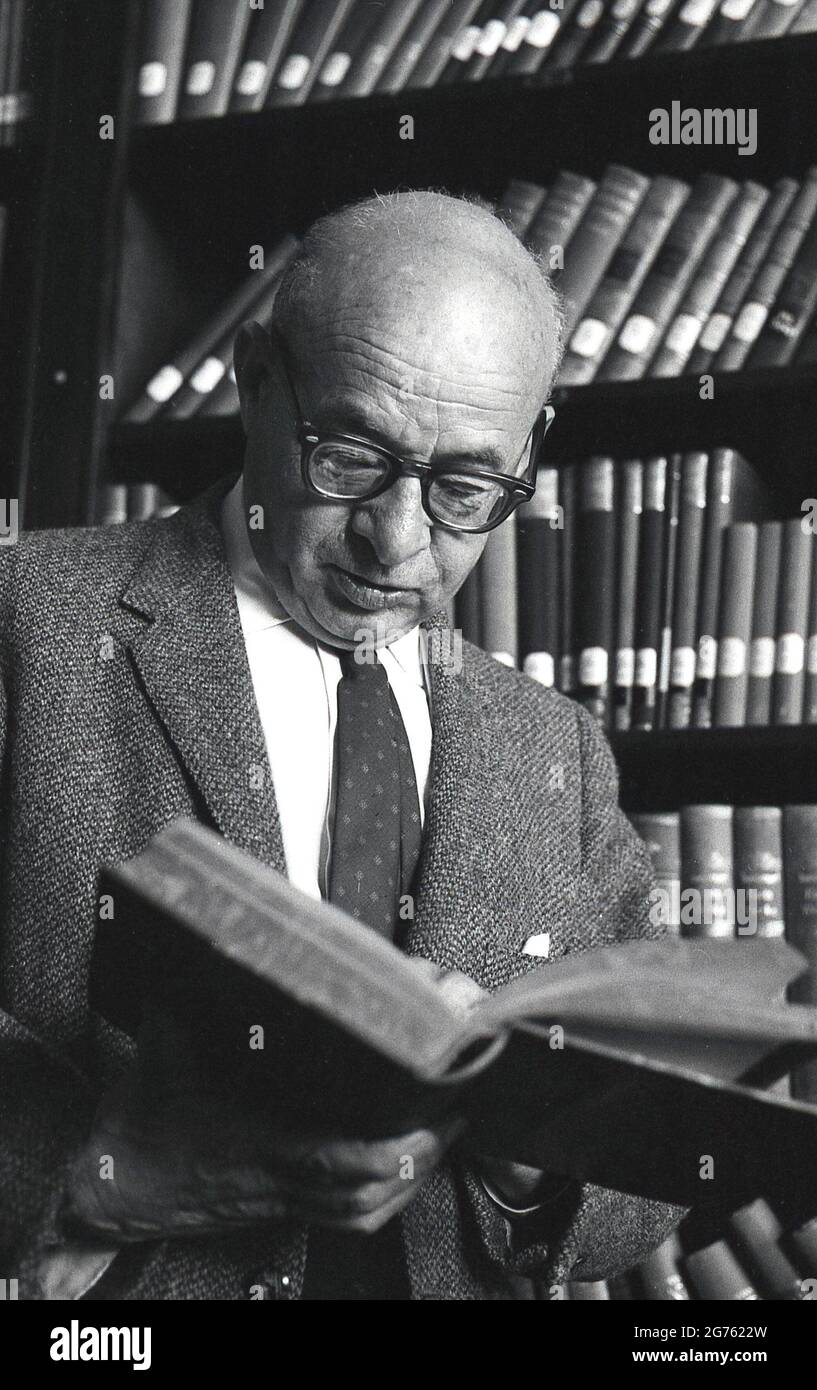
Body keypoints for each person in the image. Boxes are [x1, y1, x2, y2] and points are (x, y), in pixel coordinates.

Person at [0, 191, 682, 1300]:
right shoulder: (24, 629)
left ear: (532, 450)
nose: (397, 539)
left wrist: (530, 1158)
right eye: (352, 453)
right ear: (256, 376)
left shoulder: (553, 749)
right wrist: (95, 1175)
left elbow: (643, 1168)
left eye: (466, 485)